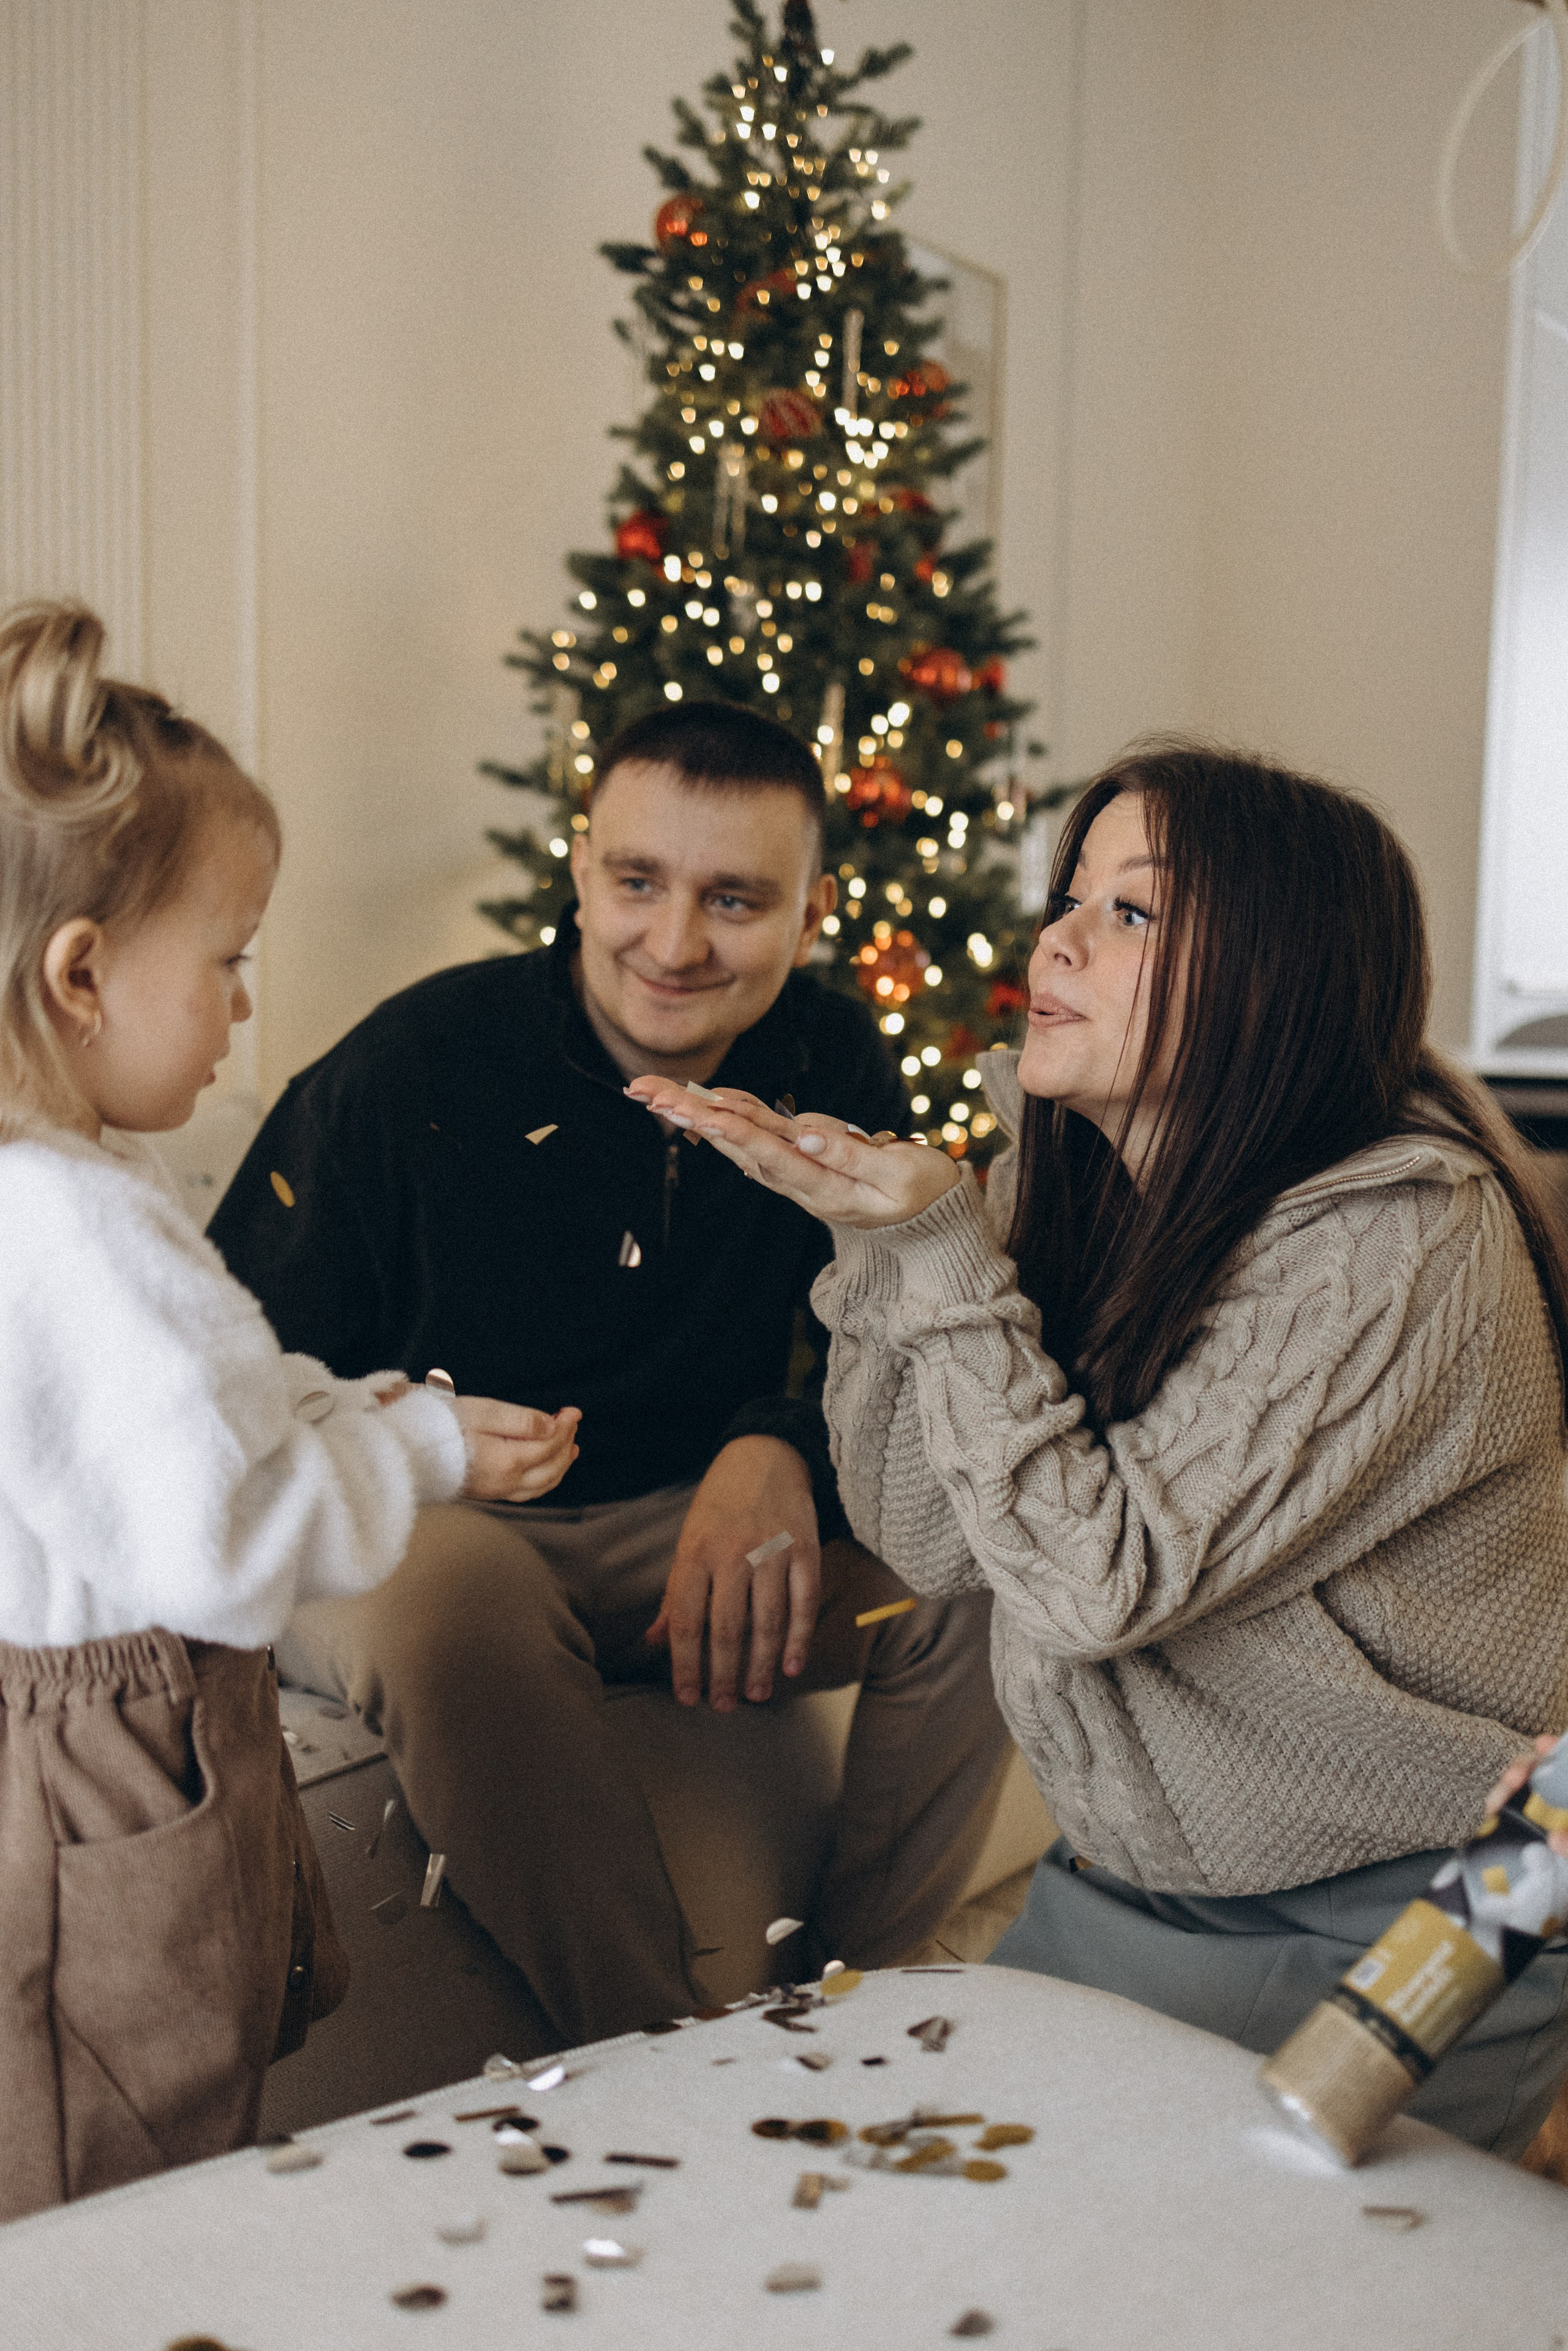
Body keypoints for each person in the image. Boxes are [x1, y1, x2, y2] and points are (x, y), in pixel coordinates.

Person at [628, 740, 1568, 2159]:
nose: (1051, 937)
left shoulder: (1401, 1232)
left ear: (1275, 975)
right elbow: (927, 1535)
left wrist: (938, 1254)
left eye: (1129, 912)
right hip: (1134, 1883)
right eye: (1068, 895)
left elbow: (1091, 1580)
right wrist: (877, 1249)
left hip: (1397, 1915)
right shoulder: (1073, 1181)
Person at [209, 700, 1009, 2047]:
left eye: (735, 899)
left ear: (808, 917)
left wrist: (781, 1450)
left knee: (984, 1554)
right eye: (636, 881)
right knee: (457, 1598)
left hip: (670, 1538)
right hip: (425, 1523)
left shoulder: (829, 1057)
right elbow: (237, 1372)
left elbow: (884, 1328)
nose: (675, 942)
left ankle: (850, 2013)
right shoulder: (409, 1066)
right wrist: (415, 1434)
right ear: (580, 873)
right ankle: (660, 2053)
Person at [0, 602, 578, 2222]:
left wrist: (355, 1398)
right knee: (118, 2153)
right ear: (83, 972)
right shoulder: (79, 1226)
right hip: (97, 1759)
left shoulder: (62, 1182)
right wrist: (430, 1449)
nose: (248, 1004)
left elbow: (181, 1419)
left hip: (73, 1719)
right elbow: (225, 1536)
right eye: (230, 957)